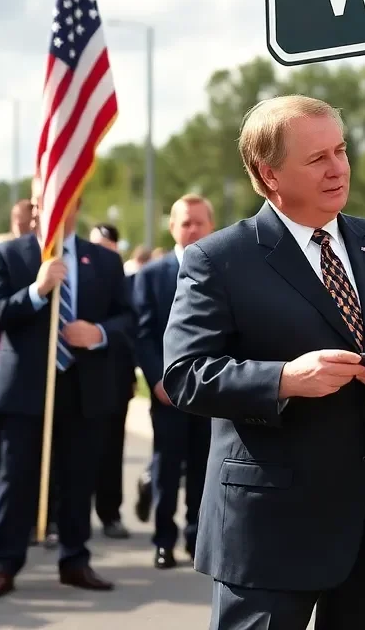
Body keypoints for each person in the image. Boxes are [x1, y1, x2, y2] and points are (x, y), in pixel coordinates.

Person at [162, 95, 365, 630]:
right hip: (271, 530)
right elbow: (186, 375)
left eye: (340, 150)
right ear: (267, 173)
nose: (338, 167)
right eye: (317, 158)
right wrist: (285, 379)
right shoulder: (219, 260)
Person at [0, 186, 135, 600]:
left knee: (78, 477)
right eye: (43, 202)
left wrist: (98, 333)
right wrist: (36, 290)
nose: (49, 210)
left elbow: (127, 318)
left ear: (77, 204)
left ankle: (74, 560)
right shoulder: (10, 255)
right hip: (26, 388)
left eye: (62, 200)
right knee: (16, 478)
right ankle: (4, 563)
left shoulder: (104, 259)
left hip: (83, 387)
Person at [134, 194, 215, 568]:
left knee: (204, 466)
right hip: (168, 393)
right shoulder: (151, 276)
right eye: (186, 223)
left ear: (211, 226)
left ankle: (196, 536)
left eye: (199, 222)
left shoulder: (224, 269)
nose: (193, 229)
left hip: (212, 390)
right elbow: (144, 334)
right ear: (172, 228)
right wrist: (157, 380)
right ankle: (163, 539)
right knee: (167, 467)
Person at [87, 222, 136, 539]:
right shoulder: (75, 273)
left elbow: (130, 321)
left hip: (114, 377)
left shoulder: (125, 278)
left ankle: (110, 513)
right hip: (76, 376)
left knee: (110, 450)